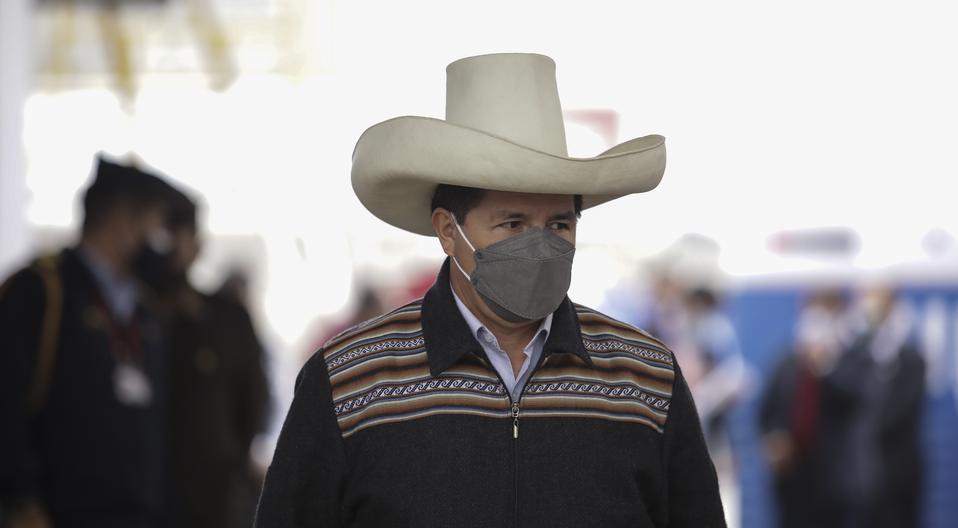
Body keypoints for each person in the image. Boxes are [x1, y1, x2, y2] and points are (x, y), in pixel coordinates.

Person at [254, 53, 725, 527]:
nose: (540, 246)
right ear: (447, 229)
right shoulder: (350, 380)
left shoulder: (645, 378)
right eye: (512, 224)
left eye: (559, 224)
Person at [0, 155, 174, 528]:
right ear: (123, 218)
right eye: (155, 225)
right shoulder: (42, 292)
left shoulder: (146, 314)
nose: (163, 244)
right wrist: (19, 500)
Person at [136, 186, 270, 528]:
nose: (158, 245)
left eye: (170, 234)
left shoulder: (226, 320)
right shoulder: (117, 317)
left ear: (195, 245)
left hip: (209, 503)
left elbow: (253, 407)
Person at [760, 287, 925, 528]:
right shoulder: (787, 361)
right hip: (793, 475)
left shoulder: (851, 359)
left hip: (834, 480)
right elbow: (768, 408)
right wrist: (774, 438)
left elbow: (860, 398)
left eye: (826, 310)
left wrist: (825, 366)